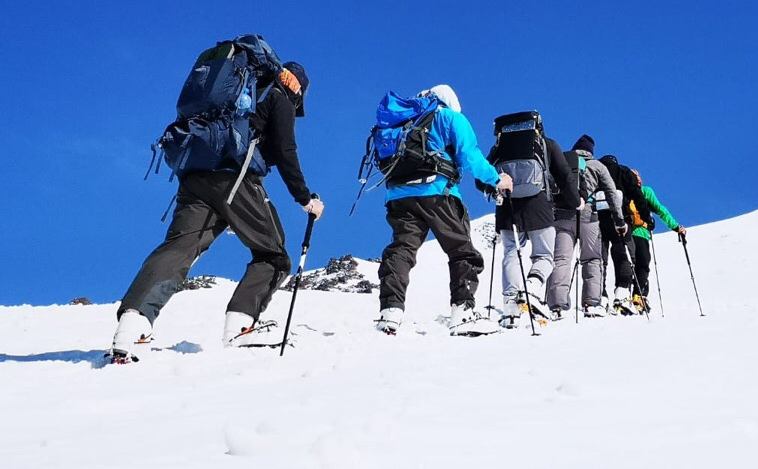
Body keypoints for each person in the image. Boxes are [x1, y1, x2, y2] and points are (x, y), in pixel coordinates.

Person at [110, 61, 324, 362]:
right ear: (298, 86)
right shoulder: (280, 95)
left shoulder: (241, 93)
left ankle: (132, 325)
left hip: (195, 177)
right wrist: (305, 199)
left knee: (179, 248)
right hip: (234, 178)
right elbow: (287, 152)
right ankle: (240, 326)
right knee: (273, 255)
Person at [376, 85, 512, 336]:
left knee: (402, 250)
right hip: (438, 193)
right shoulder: (450, 117)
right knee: (461, 250)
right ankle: (462, 312)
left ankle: (390, 312)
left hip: (399, 196)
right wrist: (496, 180)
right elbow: (470, 155)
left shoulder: (403, 121)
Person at [488, 119, 579, 327]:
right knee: (544, 256)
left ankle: (510, 307)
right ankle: (531, 287)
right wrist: (576, 202)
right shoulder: (547, 144)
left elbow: (482, 178)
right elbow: (565, 177)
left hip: (507, 208)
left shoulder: (499, 147)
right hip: (539, 206)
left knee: (511, 252)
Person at [546, 134, 624, 318]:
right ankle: (591, 303)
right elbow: (612, 193)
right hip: (589, 217)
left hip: (562, 216)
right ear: (591, 151)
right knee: (592, 259)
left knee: (561, 260)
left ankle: (557, 305)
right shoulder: (597, 166)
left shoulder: (562, 161)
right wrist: (618, 220)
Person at [626, 168, 686, 303]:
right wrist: (676, 227)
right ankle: (639, 295)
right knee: (643, 264)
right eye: (636, 176)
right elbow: (660, 209)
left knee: (628, 264)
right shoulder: (645, 192)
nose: (639, 179)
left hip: (623, 234)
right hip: (640, 232)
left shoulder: (623, 193)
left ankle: (623, 295)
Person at [597, 153, 647, 314]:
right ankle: (622, 293)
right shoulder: (623, 171)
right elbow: (637, 195)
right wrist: (646, 217)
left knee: (600, 259)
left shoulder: (597, 171)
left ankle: (600, 295)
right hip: (621, 221)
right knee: (623, 256)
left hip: (598, 220)